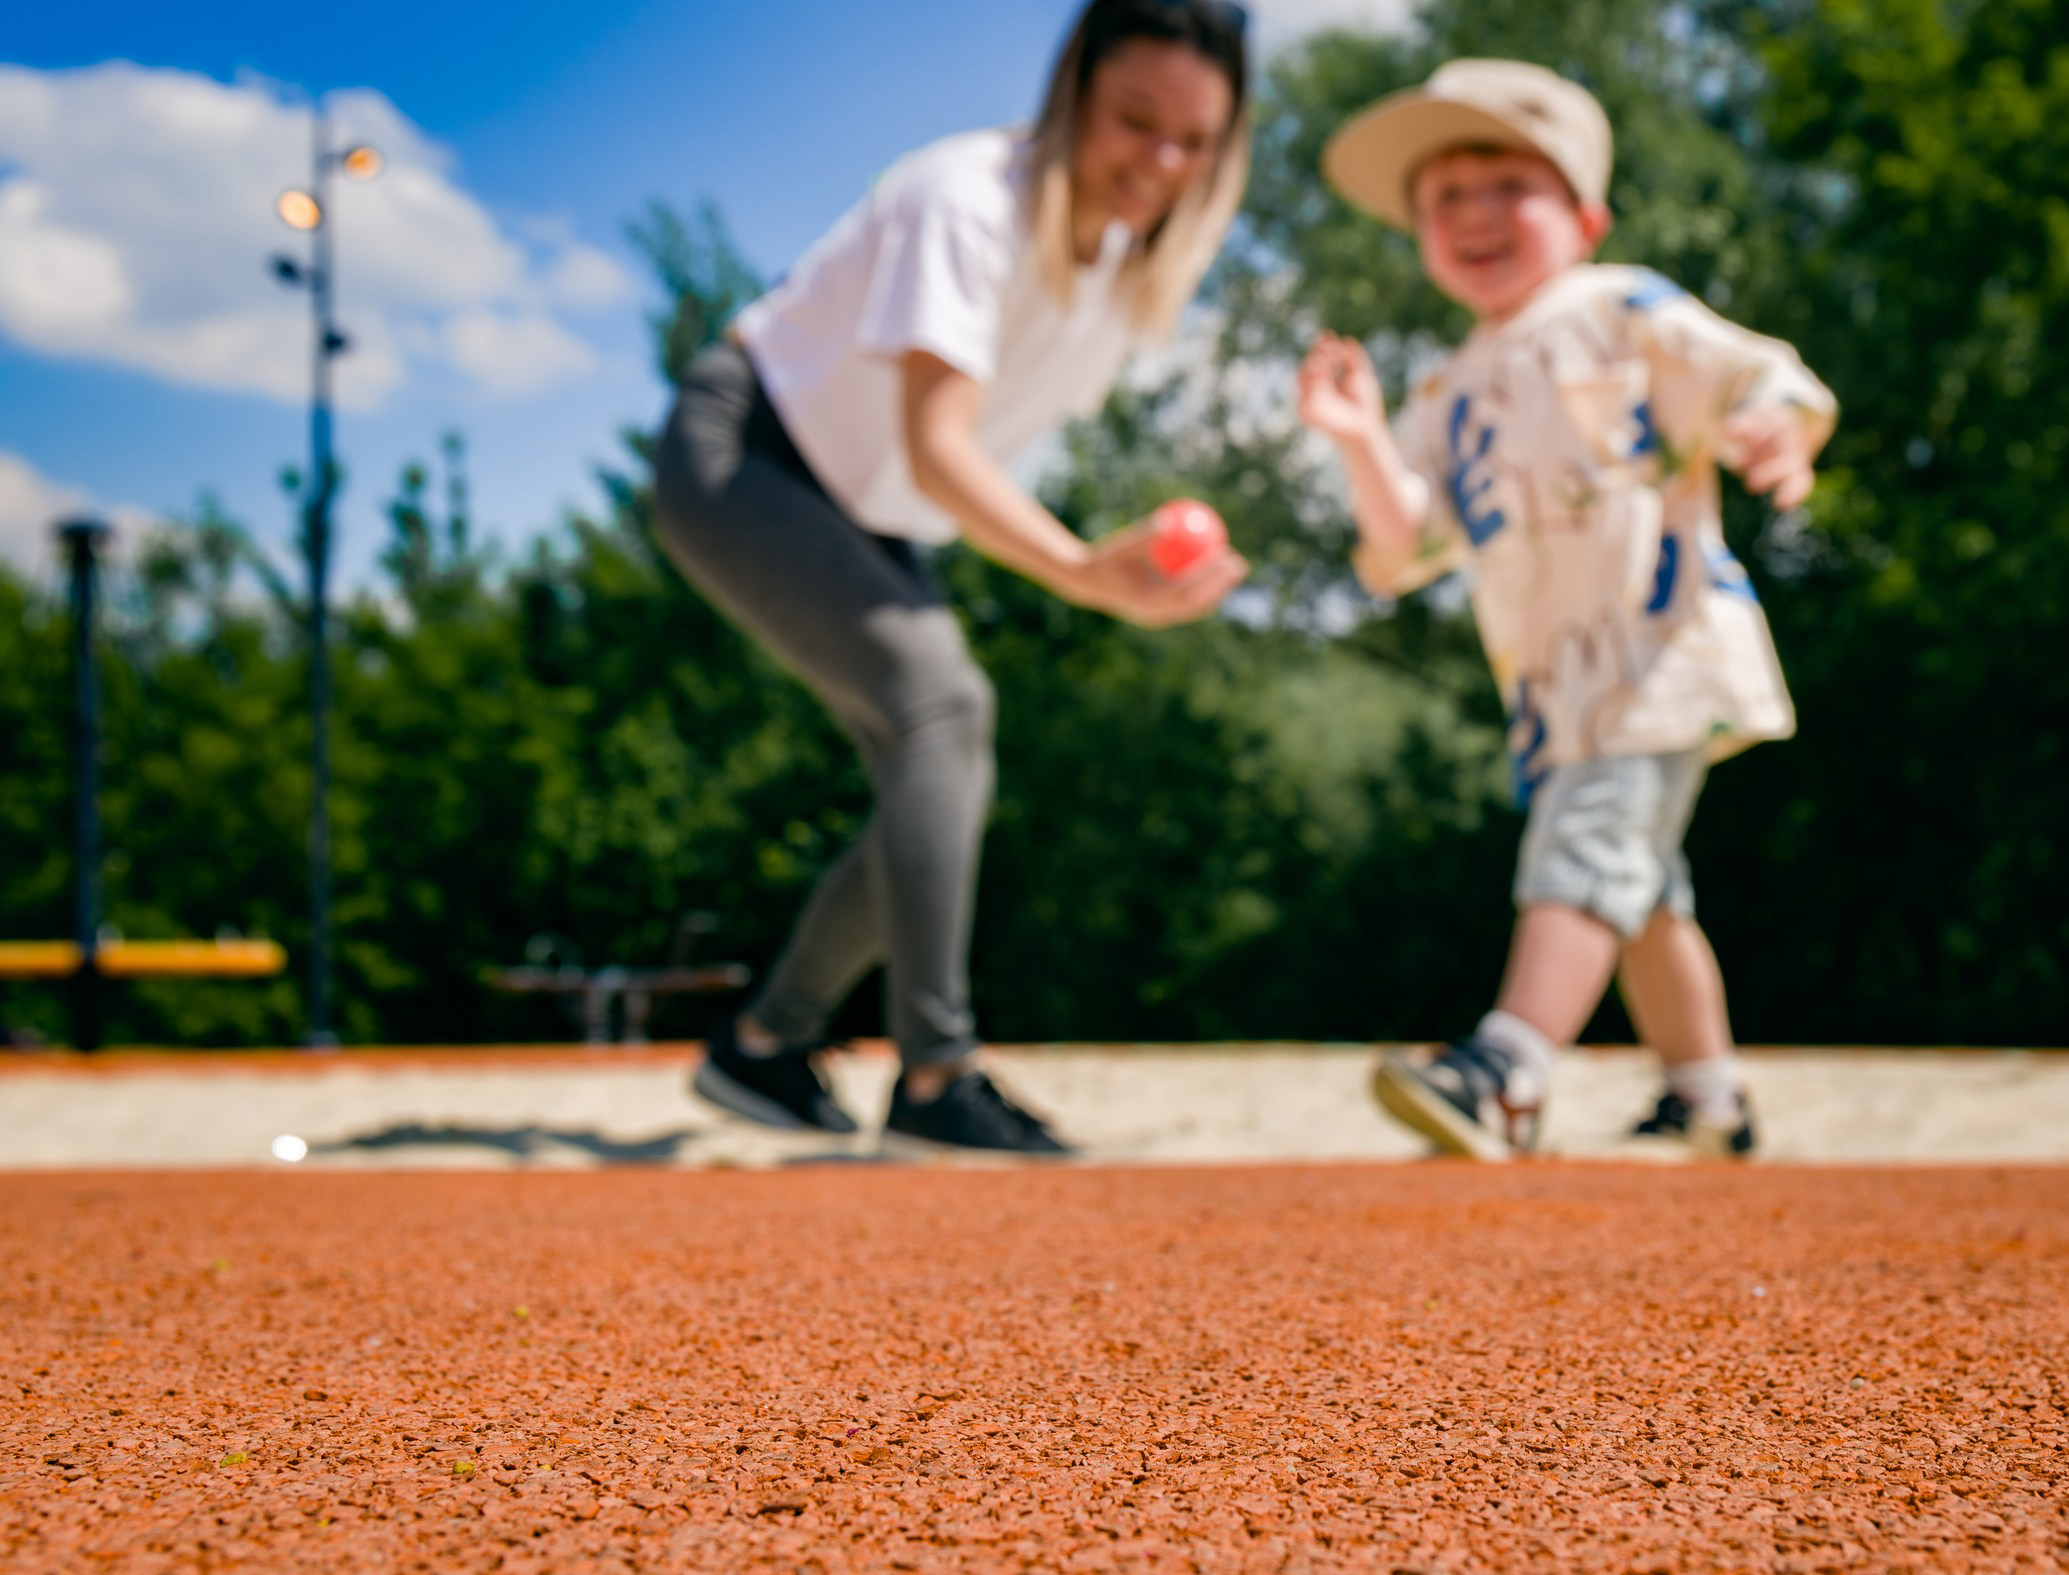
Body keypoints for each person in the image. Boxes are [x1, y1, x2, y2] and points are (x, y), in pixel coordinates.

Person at [653, 0, 1253, 1154]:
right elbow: (943, 442)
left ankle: (764, 1047)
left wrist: (1120, 557)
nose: (1160, 162)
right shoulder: (962, 198)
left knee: (942, 763)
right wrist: (1081, 568)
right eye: (1135, 120)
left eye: (1194, 142)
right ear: (1072, 88)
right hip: (742, 452)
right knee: (946, 707)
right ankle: (934, 1077)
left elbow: (964, 459)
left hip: (872, 510)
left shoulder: (1122, 268)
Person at [1295, 60, 1837, 1161]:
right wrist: (1356, 440)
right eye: (1444, 197)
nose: (1474, 214)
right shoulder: (1446, 388)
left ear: (1585, 217)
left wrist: (1778, 430)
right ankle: (1709, 1098)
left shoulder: (1618, 309)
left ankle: (1507, 1071)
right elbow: (1403, 544)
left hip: (1657, 651)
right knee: (1641, 897)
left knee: (1586, 854)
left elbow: (1752, 374)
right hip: (1553, 688)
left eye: (1508, 184)